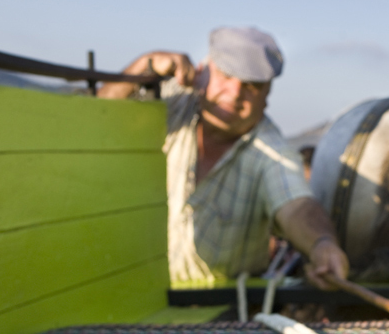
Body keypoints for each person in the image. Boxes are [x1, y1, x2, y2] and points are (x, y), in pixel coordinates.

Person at [98, 27, 348, 290]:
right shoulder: (167, 103)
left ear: (267, 96)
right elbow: (95, 119)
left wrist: (322, 244)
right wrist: (142, 66)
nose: (236, 92)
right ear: (203, 70)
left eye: (252, 86)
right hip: (131, 294)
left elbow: (296, 205)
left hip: (218, 312)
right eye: (227, 75)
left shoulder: (273, 153)